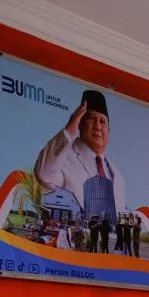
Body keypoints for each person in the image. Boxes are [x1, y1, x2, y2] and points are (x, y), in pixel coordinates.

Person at [34, 90, 128, 243]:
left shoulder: (117, 176)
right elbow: (44, 175)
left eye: (103, 122)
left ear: (109, 131)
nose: (98, 126)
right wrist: (68, 132)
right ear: (80, 124)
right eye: (92, 119)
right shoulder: (64, 157)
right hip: (70, 250)